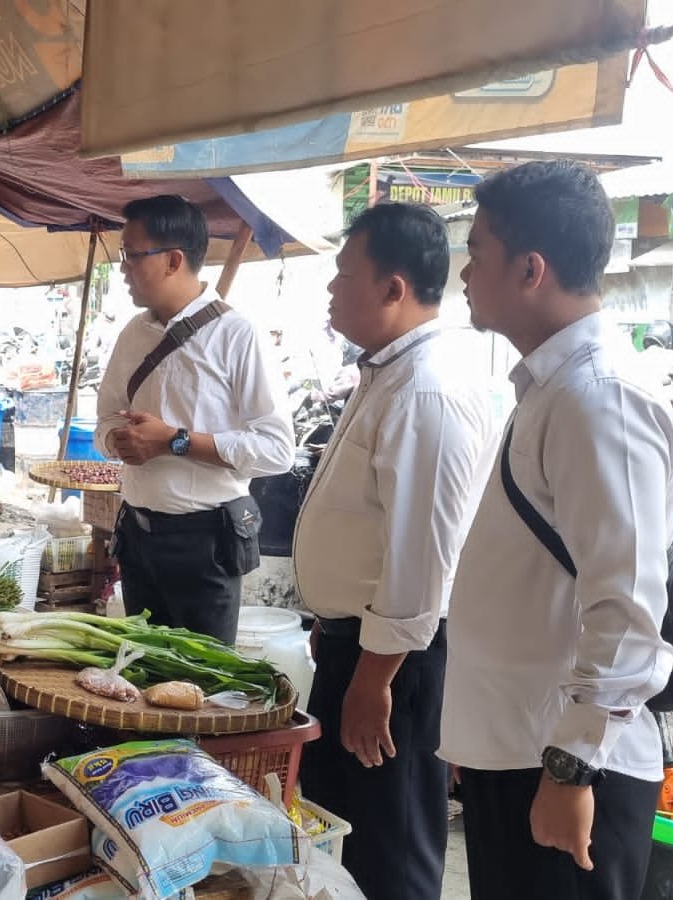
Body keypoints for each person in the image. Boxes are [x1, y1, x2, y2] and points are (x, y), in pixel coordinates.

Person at [439, 161, 673, 900]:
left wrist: (571, 767)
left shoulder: (597, 397)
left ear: (530, 269)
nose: (465, 276)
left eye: (477, 254)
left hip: (567, 769)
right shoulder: (555, 389)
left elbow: (629, 607)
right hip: (520, 750)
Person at [293, 203, 496, 899]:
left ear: (393, 288)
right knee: (341, 829)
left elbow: (421, 560)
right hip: (359, 643)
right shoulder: (390, 371)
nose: (331, 289)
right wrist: (334, 615)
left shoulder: (426, 390)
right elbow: (371, 528)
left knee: (390, 843)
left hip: (397, 663)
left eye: (344, 273)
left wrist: (374, 680)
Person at [96, 195, 293, 644]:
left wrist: (173, 441)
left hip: (206, 544)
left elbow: (277, 449)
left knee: (198, 690)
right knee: (142, 678)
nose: (123, 266)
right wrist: (118, 441)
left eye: (132, 254)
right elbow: (106, 415)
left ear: (173, 260)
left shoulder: (237, 335)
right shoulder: (133, 334)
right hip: (138, 537)